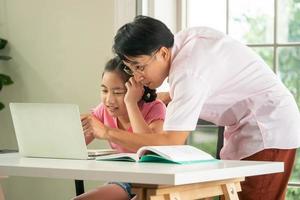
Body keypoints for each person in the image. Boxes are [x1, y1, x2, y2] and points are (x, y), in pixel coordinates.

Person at [85, 15, 300, 200]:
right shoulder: (183, 43)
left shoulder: (187, 73)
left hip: (268, 125)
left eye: (140, 67)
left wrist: (107, 132)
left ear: (162, 53)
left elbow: (170, 143)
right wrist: (171, 96)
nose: (138, 76)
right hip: (247, 124)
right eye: (131, 68)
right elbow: (213, 78)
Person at [74, 56, 166, 200]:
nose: (109, 100)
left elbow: (149, 148)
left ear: (137, 89)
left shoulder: (155, 107)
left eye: (118, 92)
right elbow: (75, 145)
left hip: (156, 180)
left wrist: (131, 103)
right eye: (104, 91)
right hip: (124, 180)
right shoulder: (103, 110)